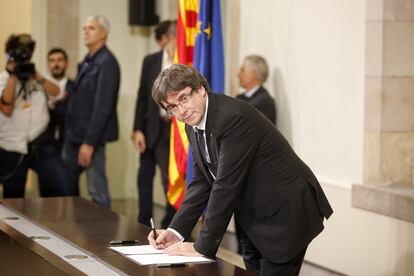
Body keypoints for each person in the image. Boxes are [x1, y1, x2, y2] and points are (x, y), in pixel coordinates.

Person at [148, 64, 333, 275]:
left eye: (183, 98)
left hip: (286, 211)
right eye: (172, 107)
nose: (181, 111)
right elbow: (202, 182)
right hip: (253, 215)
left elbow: (225, 185)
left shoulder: (233, 117)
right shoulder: (192, 123)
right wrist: (176, 231)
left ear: (201, 89)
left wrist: (201, 247)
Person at [0, 34, 70, 198]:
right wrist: (12, 75)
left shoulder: (37, 78)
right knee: (14, 200)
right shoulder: (3, 79)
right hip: (11, 148)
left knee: (64, 185)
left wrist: (37, 75)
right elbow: (7, 109)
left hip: (41, 144)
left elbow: (58, 93)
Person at [62, 15, 120, 208]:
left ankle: (103, 236)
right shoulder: (88, 60)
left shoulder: (107, 62)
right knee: (67, 186)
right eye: (85, 28)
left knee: (97, 190)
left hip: (90, 138)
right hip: (74, 135)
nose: (86, 31)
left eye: (91, 28)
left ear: (104, 34)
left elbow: (103, 107)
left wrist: (89, 143)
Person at [132, 20, 177, 228]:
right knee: (144, 175)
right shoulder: (150, 60)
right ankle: (144, 221)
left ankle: (172, 222)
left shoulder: (186, 60)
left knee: (170, 177)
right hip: (150, 126)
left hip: (174, 127)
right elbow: (142, 96)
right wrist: (137, 129)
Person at [46, 47, 74, 151]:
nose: (56, 64)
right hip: (46, 143)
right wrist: (50, 104)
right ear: (48, 64)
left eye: (60, 60)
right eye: (52, 61)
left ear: (66, 63)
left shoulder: (75, 87)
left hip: (69, 141)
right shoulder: (40, 88)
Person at [237, 54, 276, 124]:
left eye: (242, 70)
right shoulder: (240, 97)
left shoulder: (263, 102)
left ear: (254, 74)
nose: (238, 74)